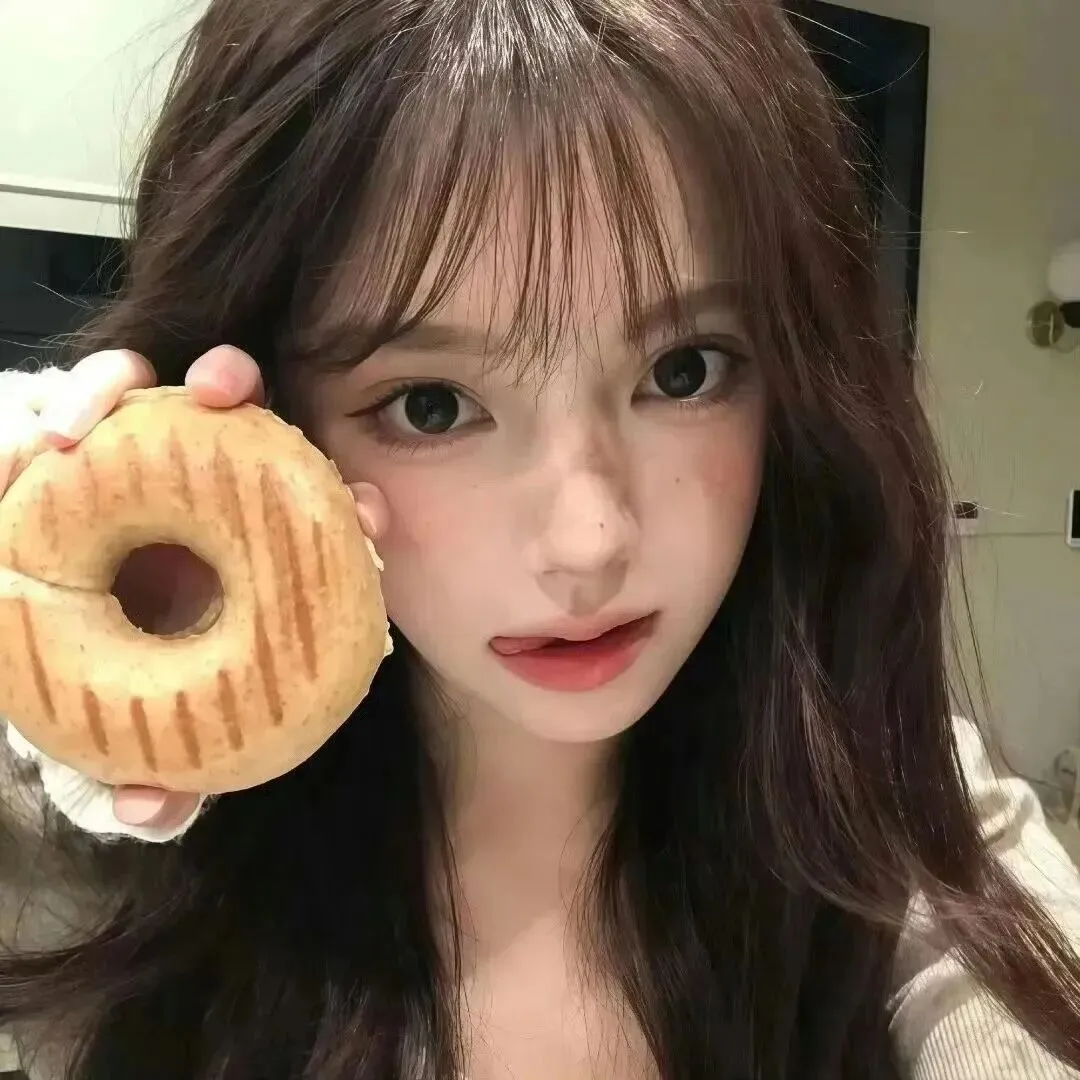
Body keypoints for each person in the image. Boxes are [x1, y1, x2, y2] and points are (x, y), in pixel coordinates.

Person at [0, 0, 1078, 1077]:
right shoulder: (103, 862)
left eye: (684, 371)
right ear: (277, 416)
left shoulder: (899, 809)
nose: (589, 540)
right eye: (431, 405)